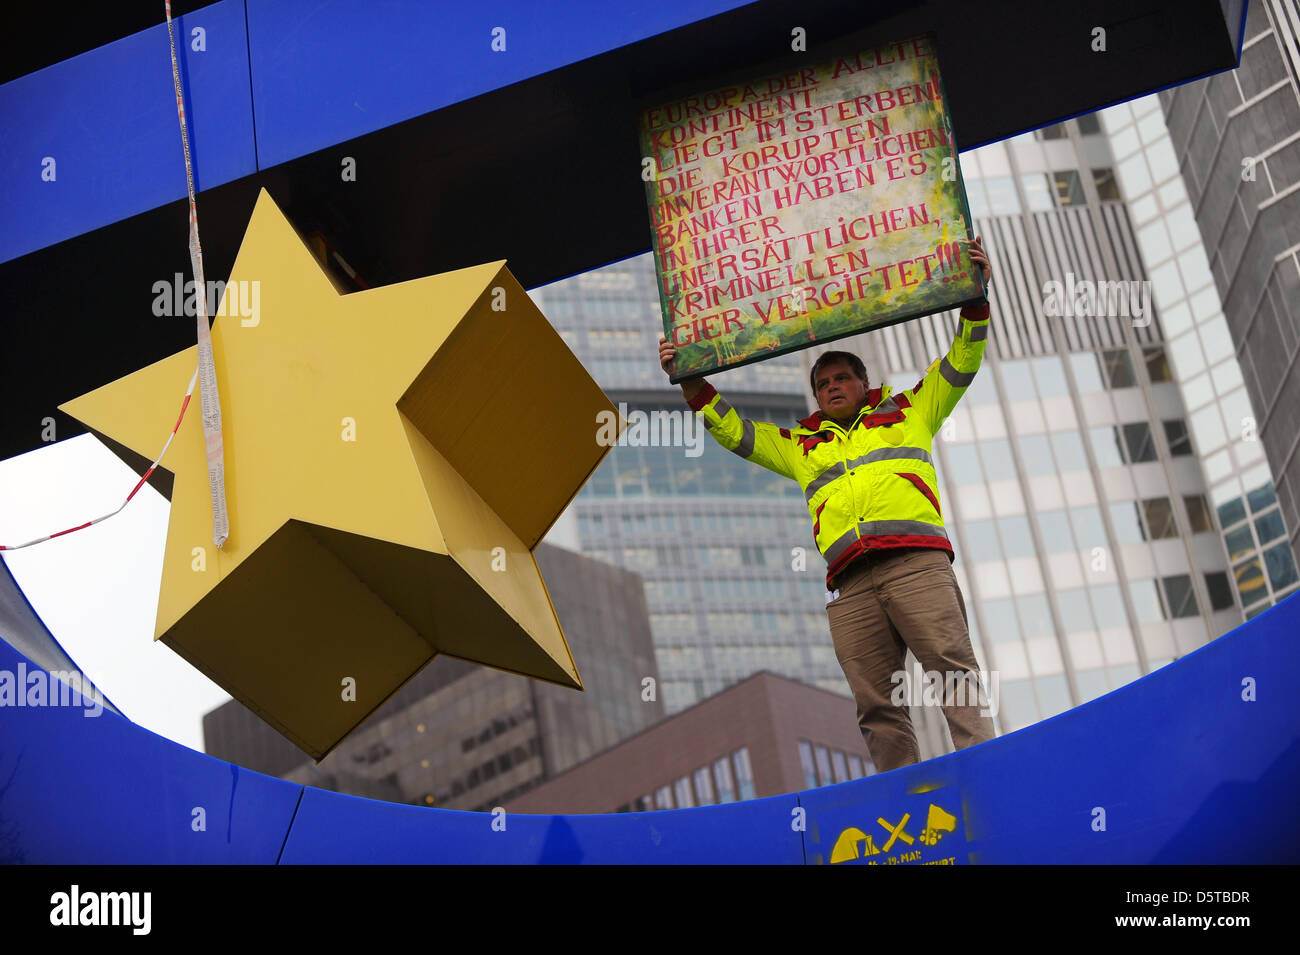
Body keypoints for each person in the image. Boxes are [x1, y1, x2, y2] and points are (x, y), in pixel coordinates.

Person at [657, 236, 997, 772]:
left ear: (866, 384)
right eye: (823, 383)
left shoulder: (911, 410)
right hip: (852, 583)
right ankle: (906, 799)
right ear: (816, 396)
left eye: (842, 378)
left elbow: (963, 359)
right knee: (875, 705)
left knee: (950, 670)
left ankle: (985, 770)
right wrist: (690, 379)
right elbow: (734, 432)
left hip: (916, 563)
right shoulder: (799, 446)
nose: (833, 387)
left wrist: (974, 299)